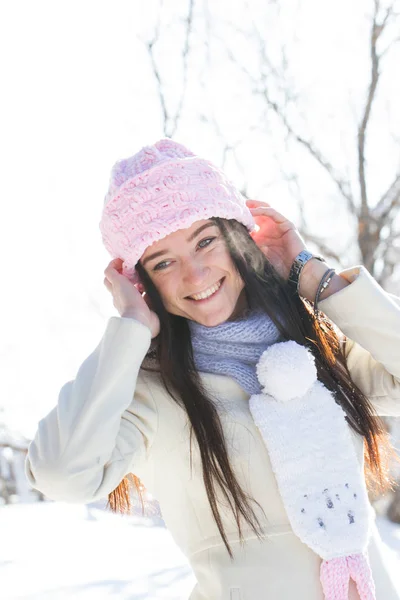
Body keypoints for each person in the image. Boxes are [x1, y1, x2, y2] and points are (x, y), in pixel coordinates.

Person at [25, 138, 400, 600]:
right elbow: (61, 474)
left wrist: (311, 274)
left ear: (236, 238)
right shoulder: (153, 393)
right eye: (164, 262)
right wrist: (129, 330)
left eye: (205, 241)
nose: (196, 275)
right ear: (144, 283)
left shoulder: (313, 351)